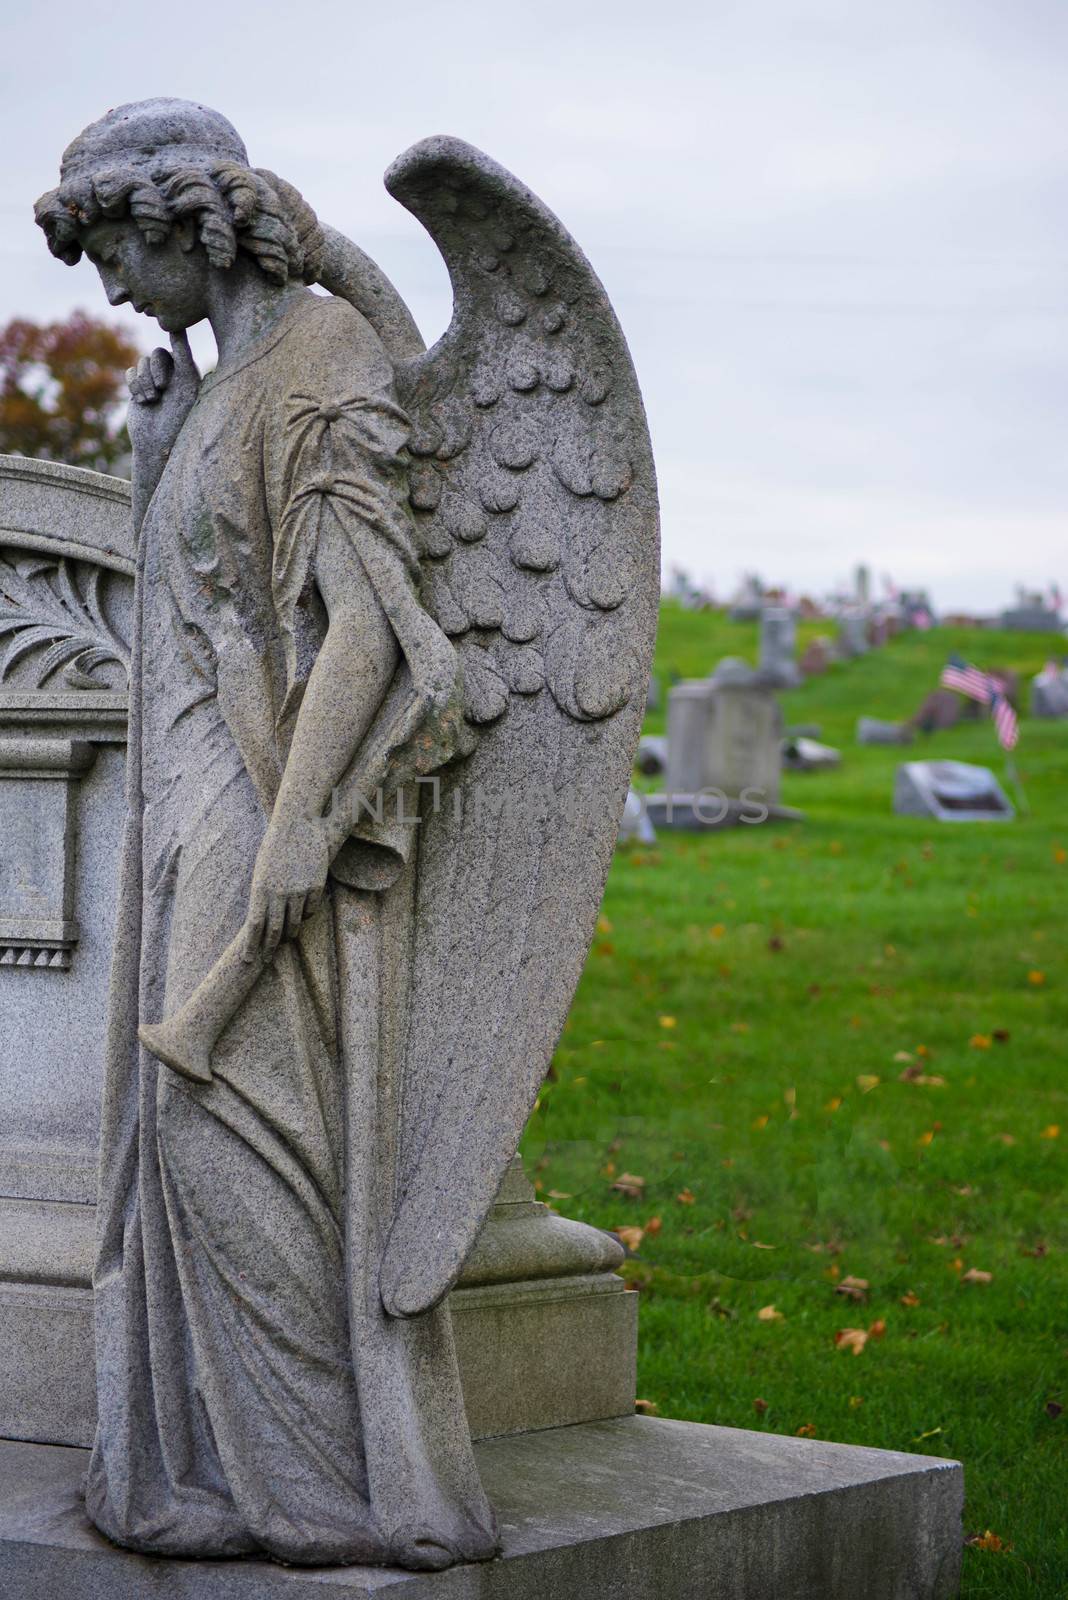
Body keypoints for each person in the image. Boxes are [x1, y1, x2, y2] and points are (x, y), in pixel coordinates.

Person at [36, 97, 496, 1571]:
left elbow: (371, 630)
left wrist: (299, 830)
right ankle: (204, 1469)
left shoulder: (325, 357)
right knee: (168, 1147)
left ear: (185, 216)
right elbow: (192, 602)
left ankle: (316, 1482)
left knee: (228, 1129)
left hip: (253, 805)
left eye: (112, 246)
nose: (108, 289)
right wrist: (154, 462)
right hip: (182, 804)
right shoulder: (228, 380)